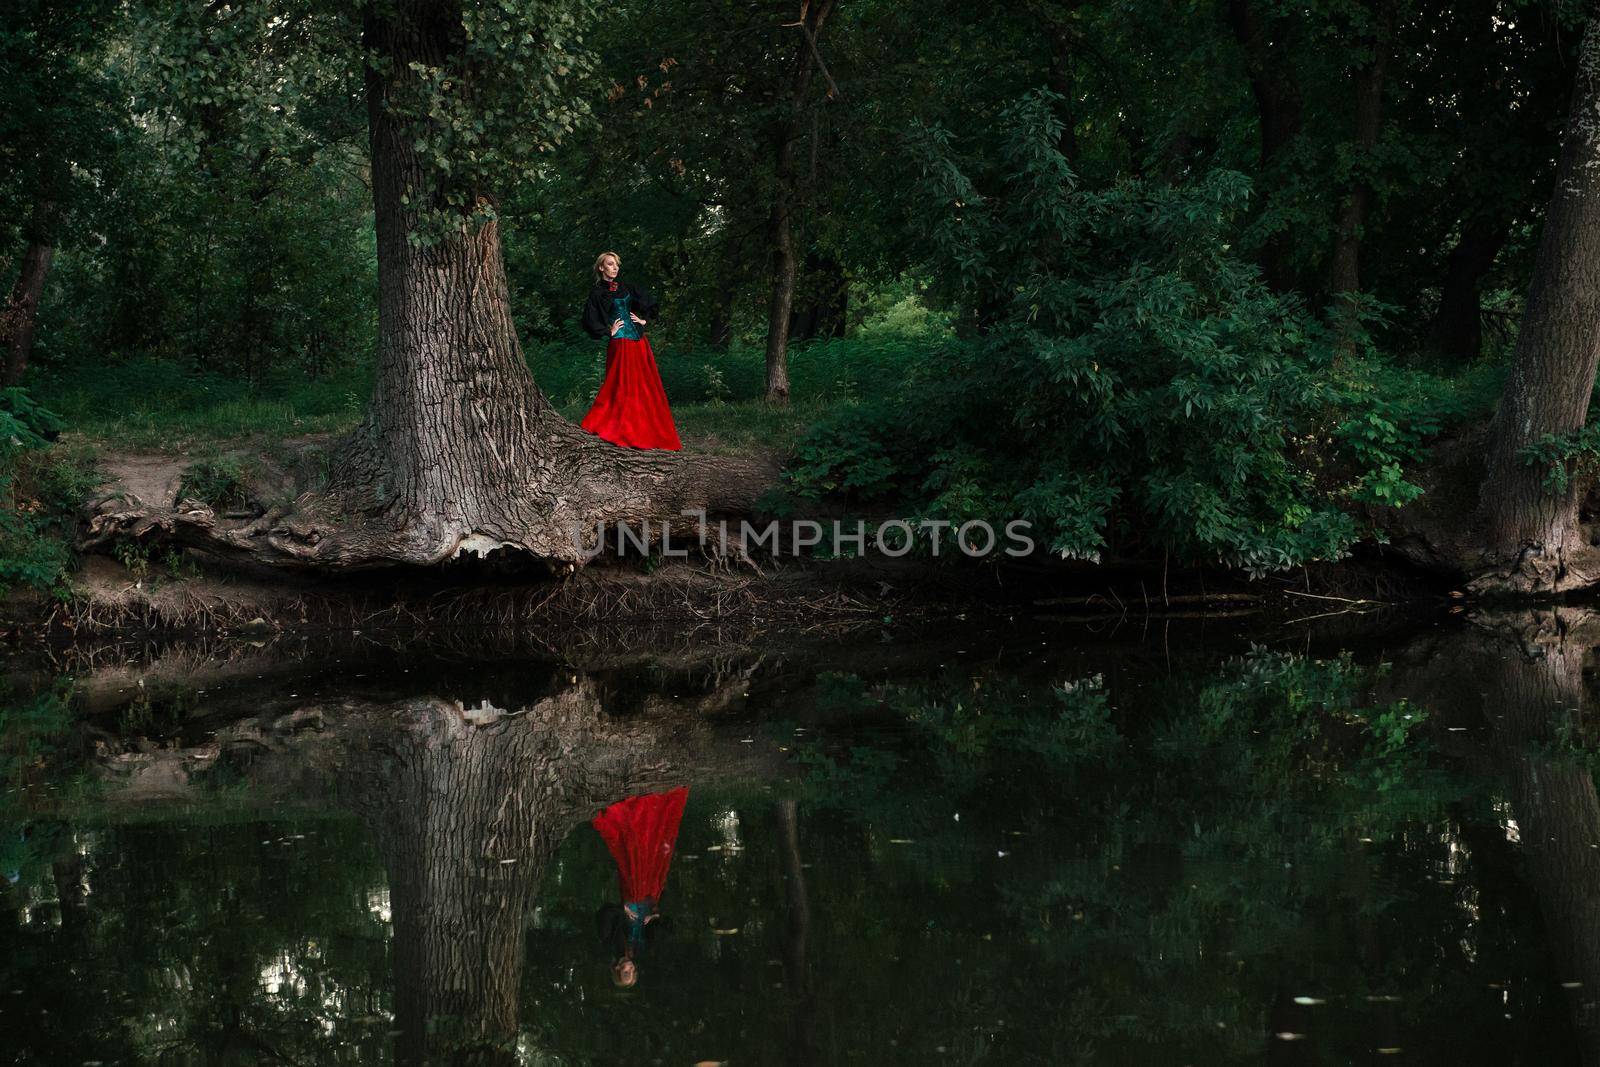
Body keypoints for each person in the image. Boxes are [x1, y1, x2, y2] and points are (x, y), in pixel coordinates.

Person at [579, 251, 682, 451]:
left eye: (616, 264)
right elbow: (589, 319)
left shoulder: (626, 287)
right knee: (620, 385)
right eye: (610, 264)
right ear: (602, 268)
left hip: (638, 341)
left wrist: (643, 320)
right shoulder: (598, 292)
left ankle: (645, 429)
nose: (615, 267)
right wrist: (609, 331)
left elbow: (648, 301)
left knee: (644, 385)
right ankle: (622, 428)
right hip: (620, 343)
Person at [591, 785, 690, 987]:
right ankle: (657, 805)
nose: (630, 967)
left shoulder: (609, 944)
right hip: (651, 896)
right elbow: (670, 928)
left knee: (635, 851)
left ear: (617, 969)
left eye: (627, 972)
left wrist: (622, 909)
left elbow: (604, 913)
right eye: (633, 971)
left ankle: (638, 808)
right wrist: (656, 917)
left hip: (632, 893)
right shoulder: (643, 949)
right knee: (657, 850)